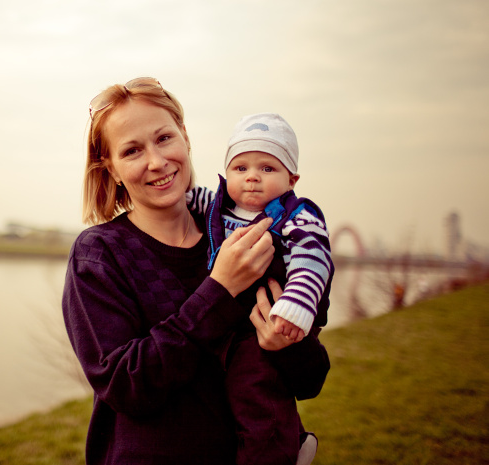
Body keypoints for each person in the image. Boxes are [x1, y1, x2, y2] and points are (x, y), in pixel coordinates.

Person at [62, 78, 330, 465]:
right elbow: (125, 386)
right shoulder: (99, 254)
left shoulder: (250, 237)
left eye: (164, 138)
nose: (157, 161)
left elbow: (311, 380)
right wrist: (219, 288)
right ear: (112, 169)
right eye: (132, 150)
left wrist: (287, 343)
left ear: (185, 138)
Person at [186, 113, 334, 464]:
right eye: (240, 168)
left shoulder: (297, 216)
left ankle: (277, 455)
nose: (252, 176)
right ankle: (293, 440)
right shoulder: (216, 205)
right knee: (232, 396)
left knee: (258, 396)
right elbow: (184, 198)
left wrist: (294, 306)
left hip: (269, 322)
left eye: (267, 168)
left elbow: (313, 259)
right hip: (228, 323)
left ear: (292, 178)